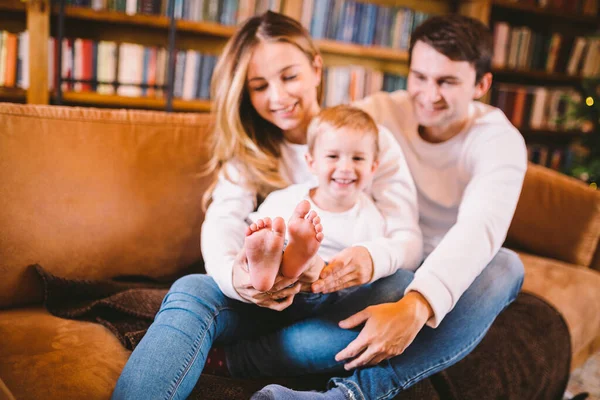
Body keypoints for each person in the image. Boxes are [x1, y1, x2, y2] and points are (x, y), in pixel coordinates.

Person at [112, 11, 424, 400]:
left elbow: (408, 238)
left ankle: (243, 354)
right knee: (191, 288)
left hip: (339, 297)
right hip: (266, 294)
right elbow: (223, 219)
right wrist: (235, 280)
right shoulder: (250, 149)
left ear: (316, 68)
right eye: (259, 86)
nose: (277, 97)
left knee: (400, 285)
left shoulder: (366, 139)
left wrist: (370, 258)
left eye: (289, 77)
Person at [251, 14, 528, 400]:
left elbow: (479, 228)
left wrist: (416, 306)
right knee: (391, 281)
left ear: (481, 85)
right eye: (420, 77)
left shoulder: (500, 141)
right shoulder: (380, 110)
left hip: (450, 264)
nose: (429, 94)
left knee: (507, 265)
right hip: (391, 256)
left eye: (447, 81)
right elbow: (325, 147)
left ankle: (347, 396)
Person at [245, 105, 385, 292]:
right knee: (274, 241)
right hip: (276, 286)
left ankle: (302, 259)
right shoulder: (286, 200)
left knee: (322, 268)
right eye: (333, 156)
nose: (345, 167)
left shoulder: (370, 218)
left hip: (325, 291)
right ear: (312, 163)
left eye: (358, 159)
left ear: (373, 167)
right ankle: (275, 261)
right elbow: (252, 232)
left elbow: (366, 270)